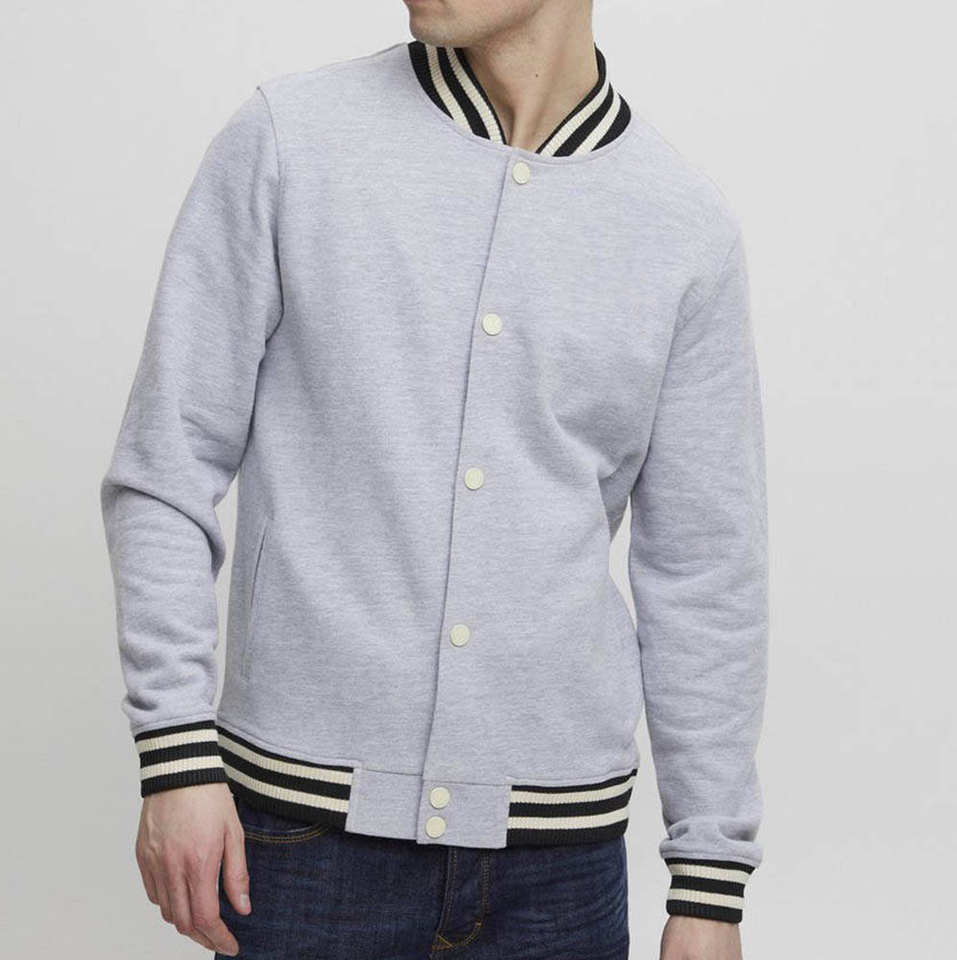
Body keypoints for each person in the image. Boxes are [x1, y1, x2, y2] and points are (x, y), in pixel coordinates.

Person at [99, 1, 768, 957]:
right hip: (304, 839)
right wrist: (176, 758)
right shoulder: (293, 139)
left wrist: (709, 883)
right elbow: (165, 466)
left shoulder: (683, 227)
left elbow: (705, 575)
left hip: (561, 869)